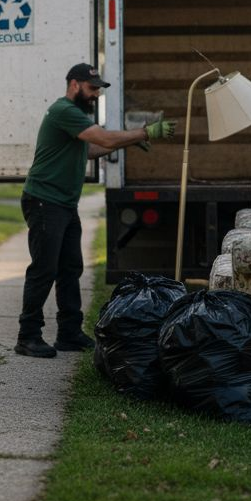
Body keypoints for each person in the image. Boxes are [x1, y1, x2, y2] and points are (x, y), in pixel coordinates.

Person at [14, 63, 177, 358]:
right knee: (44, 269)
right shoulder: (64, 110)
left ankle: (69, 333)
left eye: (98, 91)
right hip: (44, 201)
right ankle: (28, 336)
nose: (95, 96)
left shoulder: (74, 118)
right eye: (92, 90)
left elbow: (90, 150)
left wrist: (124, 143)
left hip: (63, 203)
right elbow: (102, 138)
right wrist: (143, 133)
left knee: (70, 268)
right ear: (74, 85)